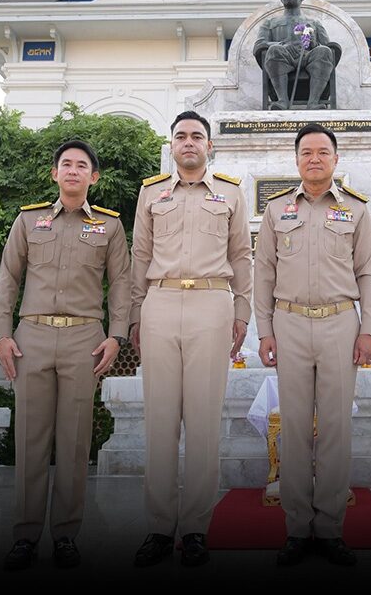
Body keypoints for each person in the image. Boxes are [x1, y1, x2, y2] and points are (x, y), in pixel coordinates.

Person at [0, 139, 131, 571]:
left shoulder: (109, 227)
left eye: (82, 165)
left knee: (73, 444)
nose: (73, 171)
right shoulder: (29, 221)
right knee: (31, 440)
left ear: (94, 177)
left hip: (83, 340)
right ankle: (26, 534)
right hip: (31, 338)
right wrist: (2, 335)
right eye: (65, 164)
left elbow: (122, 286)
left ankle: (66, 534)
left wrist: (116, 336)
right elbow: (8, 280)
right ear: (55, 174)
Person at [129, 110, 252, 568]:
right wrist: (135, 316)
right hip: (159, 303)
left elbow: (241, 255)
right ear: (172, 144)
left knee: (202, 421)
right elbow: (139, 254)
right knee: (160, 420)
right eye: (181, 136)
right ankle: (160, 528)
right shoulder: (150, 193)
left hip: (211, 304)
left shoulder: (231, 194)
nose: (188, 142)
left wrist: (241, 313)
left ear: (209, 145)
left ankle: (196, 528)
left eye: (197, 136)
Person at [253, 123, 371, 566]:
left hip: (341, 324)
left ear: (335, 159)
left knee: (335, 430)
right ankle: (296, 528)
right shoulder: (276, 210)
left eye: (323, 152)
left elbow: (369, 273)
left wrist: (370, 330)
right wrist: (264, 331)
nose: (315, 159)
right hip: (288, 324)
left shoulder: (357, 210)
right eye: (307, 152)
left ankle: (328, 529)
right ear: (297, 160)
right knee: (293, 430)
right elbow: (263, 272)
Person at [253, 0, 339, 109]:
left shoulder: (314, 23)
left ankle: (314, 102)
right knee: (274, 49)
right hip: (282, 57)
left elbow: (328, 46)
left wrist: (313, 44)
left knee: (324, 52)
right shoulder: (270, 23)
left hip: (308, 57)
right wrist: (282, 45)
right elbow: (260, 45)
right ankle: (282, 101)